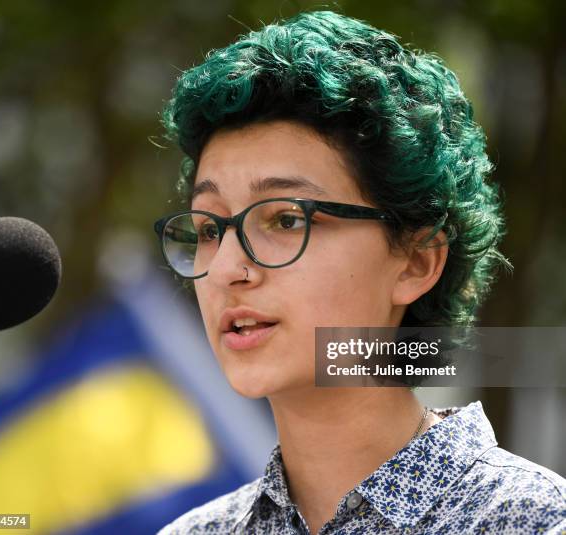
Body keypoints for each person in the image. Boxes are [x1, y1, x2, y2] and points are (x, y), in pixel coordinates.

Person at [153, 10, 566, 535]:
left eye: (285, 218)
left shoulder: (530, 521)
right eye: (210, 229)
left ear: (417, 261)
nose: (228, 269)